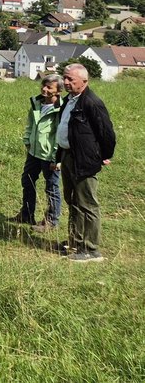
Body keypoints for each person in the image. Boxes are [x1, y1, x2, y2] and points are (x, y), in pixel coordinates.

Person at [57, 64, 116, 262]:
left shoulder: (92, 102)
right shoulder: (69, 100)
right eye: (65, 78)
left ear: (84, 82)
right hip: (67, 156)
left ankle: (91, 250)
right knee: (72, 200)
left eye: (71, 80)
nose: (65, 82)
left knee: (87, 204)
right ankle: (75, 242)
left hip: (84, 160)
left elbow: (106, 132)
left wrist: (104, 155)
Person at [12, 74, 62, 230]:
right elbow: (30, 124)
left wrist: (56, 157)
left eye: (49, 87)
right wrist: (27, 140)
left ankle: (51, 221)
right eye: (43, 85)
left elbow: (60, 134)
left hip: (50, 155)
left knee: (51, 187)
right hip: (33, 152)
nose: (44, 89)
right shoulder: (37, 103)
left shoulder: (60, 108)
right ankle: (26, 215)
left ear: (59, 91)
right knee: (27, 181)